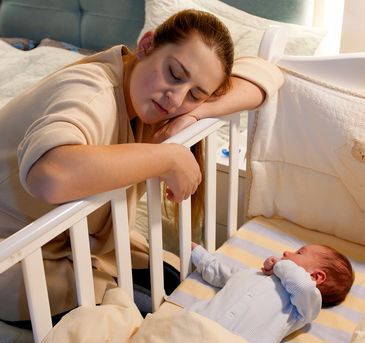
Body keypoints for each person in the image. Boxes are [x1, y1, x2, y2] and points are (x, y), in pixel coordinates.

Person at [0, 9, 284, 321]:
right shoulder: (92, 92)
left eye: (195, 94)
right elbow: (50, 175)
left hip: (77, 248)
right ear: (147, 44)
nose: (175, 99)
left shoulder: (154, 100)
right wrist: (168, 157)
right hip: (15, 257)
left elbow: (266, 74)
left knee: (186, 289)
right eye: (174, 74)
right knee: (154, 320)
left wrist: (196, 114)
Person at [188, 242, 354, 343]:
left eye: (299, 253)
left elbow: (301, 285)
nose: (287, 252)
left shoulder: (305, 305)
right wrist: (198, 253)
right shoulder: (254, 274)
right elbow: (221, 273)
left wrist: (281, 265)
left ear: (315, 277)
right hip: (199, 325)